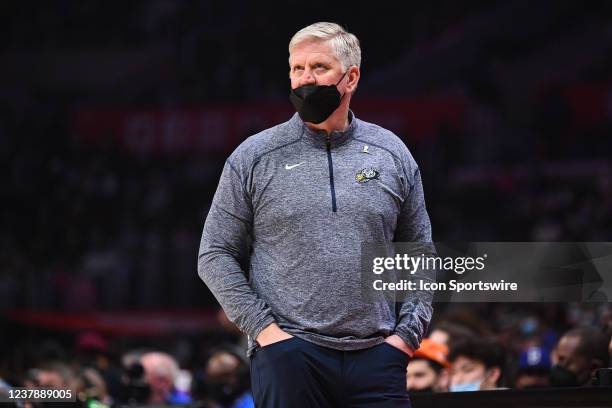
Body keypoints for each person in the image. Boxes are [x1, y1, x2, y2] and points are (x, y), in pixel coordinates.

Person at [198, 21, 434, 407]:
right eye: (297, 69)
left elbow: (419, 253)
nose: (305, 79)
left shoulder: (391, 152)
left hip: (378, 356)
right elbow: (214, 254)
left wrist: (405, 338)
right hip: (290, 353)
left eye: (319, 68)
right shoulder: (254, 156)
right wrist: (265, 332)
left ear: (351, 76)